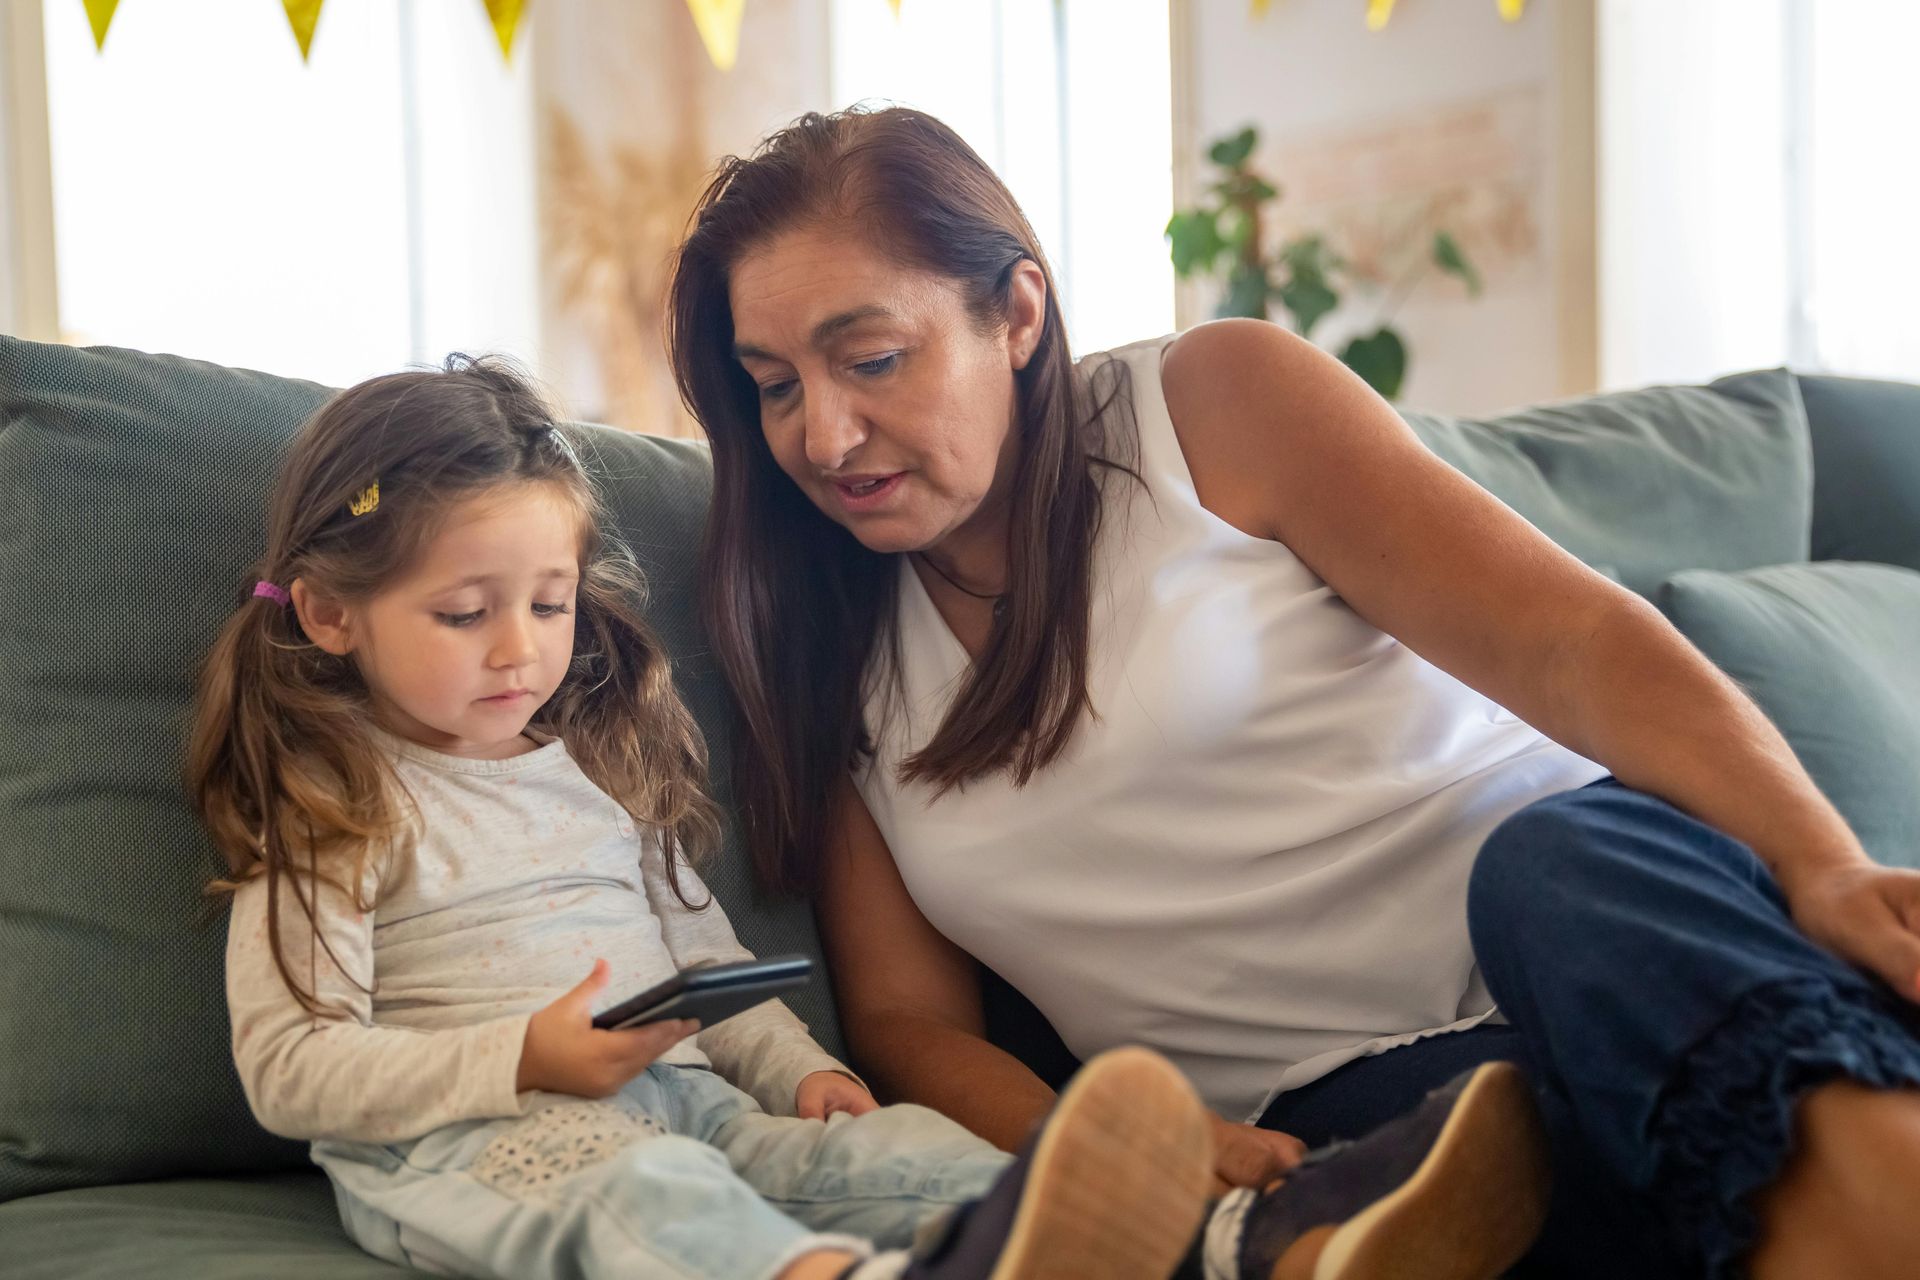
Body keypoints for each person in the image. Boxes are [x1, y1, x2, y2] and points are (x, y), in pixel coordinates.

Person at [667, 105, 1920, 1280]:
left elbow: (1570, 641)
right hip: (1364, 1117)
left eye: (872, 358)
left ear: (1017, 314)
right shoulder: (821, 641)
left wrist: (1824, 865)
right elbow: (904, 1017)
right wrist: (1129, 1147)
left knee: (1547, 870)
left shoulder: (1205, 407)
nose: (824, 437)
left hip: (1621, 932)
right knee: (1451, 1170)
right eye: (775, 385)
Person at [185, 356, 1242, 1280]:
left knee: (904, 1152)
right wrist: (523, 1057)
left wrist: (803, 1072)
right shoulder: (332, 810)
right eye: (465, 613)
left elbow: (704, 964)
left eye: (550, 603)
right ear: (329, 612)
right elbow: (289, 1068)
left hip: (692, 1105)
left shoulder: (594, 763)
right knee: (645, 1197)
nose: (519, 648)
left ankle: (1239, 1236)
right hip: (474, 1141)